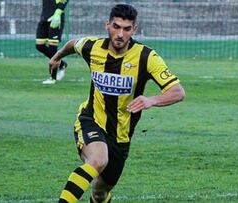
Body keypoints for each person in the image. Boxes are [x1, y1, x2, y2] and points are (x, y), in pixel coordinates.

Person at [49, 4, 186, 203]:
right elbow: (72, 44)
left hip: (121, 137)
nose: (120, 34)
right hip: (91, 119)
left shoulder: (146, 57)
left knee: (99, 192)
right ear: (107, 25)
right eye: (116, 27)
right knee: (97, 160)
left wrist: (151, 100)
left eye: (126, 29)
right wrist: (56, 57)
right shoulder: (92, 47)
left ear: (134, 30)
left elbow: (178, 92)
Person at [36, 0, 69, 85]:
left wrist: (57, 14)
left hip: (56, 19)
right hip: (44, 17)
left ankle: (52, 78)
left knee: (52, 48)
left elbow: (63, 2)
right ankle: (62, 64)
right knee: (40, 46)